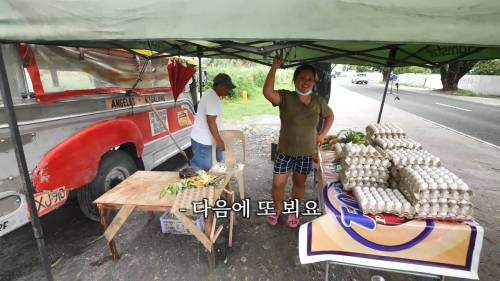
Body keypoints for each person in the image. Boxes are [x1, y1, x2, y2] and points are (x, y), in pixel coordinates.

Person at [263, 57, 334, 228]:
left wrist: (322, 134)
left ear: (314, 82)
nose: (306, 82)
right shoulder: (286, 97)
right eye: (302, 78)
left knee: (299, 184)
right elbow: (267, 92)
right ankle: (278, 209)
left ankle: (294, 211)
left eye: (310, 79)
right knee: (278, 184)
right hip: (285, 151)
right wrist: (274, 68)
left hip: (306, 152)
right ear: (295, 80)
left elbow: (330, 116)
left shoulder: (318, 101)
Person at [190, 73, 235, 171]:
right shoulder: (212, 97)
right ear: (221, 86)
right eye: (227, 88)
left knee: (217, 168)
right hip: (203, 142)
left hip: (210, 140)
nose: (228, 91)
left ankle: (219, 186)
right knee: (201, 171)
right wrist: (219, 141)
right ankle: (199, 187)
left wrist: (218, 140)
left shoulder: (212, 94)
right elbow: (211, 121)